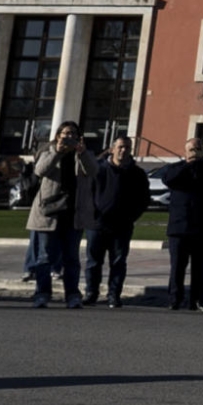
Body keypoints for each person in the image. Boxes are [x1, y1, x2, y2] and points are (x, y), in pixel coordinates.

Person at [21, 122, 92, 308]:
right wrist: (57, 152)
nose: (69, 137)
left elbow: (93, 171)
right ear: (58, 135)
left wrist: (82, 154)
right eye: (65, 134)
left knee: (71, 258)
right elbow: (40, 170)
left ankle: (73, 295)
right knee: (44, 257)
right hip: (49, 213)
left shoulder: (81, 154)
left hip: (73, 214)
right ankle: (42, 293)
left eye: (73, 134)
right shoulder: (48, 151)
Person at [82, 131, 148, 306]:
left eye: (127, 147)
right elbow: (87, 194)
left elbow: (143, 199)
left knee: (118, 262)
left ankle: (114, 295)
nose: (123, 151)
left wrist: (131, 216)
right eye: (120, 147)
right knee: (93, 262)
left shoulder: (137, 174)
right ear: (112, 149)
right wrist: (94, 215)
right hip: (97, 224)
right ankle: (91, 292)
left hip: (122, 225)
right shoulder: (97, 169)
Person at [162, 132, 203, 310]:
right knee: (177, 267)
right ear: (185, 151)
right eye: (191, 149)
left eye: (198, 149)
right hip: (179, 227)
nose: (194, 153)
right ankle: (175, 299)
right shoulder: (176, 168)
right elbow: (169, 179)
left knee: (199, 268)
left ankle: (196, 299)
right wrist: (189, 163)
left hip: (202, 227)